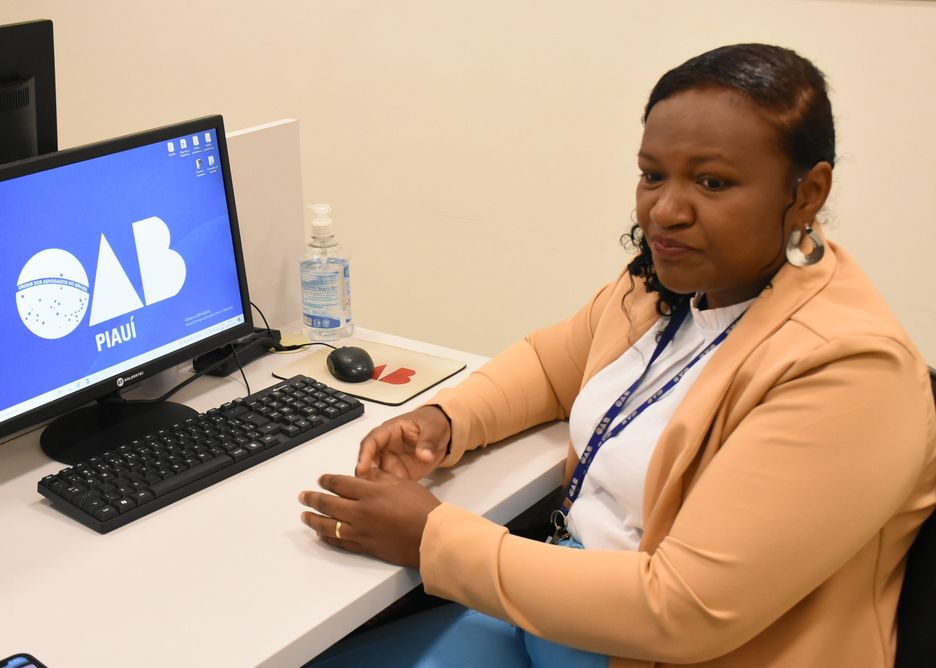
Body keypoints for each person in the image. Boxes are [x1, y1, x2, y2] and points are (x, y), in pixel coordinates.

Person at [298, 43, 936, 667]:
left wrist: (431, 537)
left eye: (712, 182)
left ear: (807, 192)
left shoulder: (852, 373)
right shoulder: (673, 280)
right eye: (653, 174)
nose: (666, 210)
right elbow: (553, 367)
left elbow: (683, 611)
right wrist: (444, 420)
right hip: (557, 616)